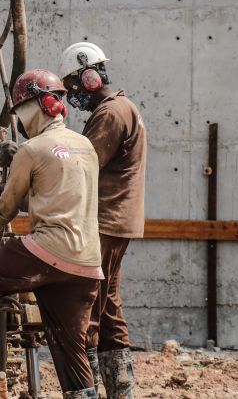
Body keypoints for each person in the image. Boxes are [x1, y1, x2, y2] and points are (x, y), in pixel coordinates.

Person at [0, 69, 103, 399]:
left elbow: (6, 208)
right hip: (87, 264)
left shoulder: (32, 149)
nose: (20, 120)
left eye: (20, 112)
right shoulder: (86, 146)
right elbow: (57, 194)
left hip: (49, 249)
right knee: (70, 349)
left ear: (34, 107)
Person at [60, 42, 147, 399]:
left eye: (73, 85)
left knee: (89, 309)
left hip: (105, 220)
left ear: (90, 77)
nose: (71, 95)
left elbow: (83, 164)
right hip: (118, 219)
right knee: (109, 307)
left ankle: (86, 391)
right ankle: (121, 391)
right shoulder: (124, 107)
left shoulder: (110, 113)